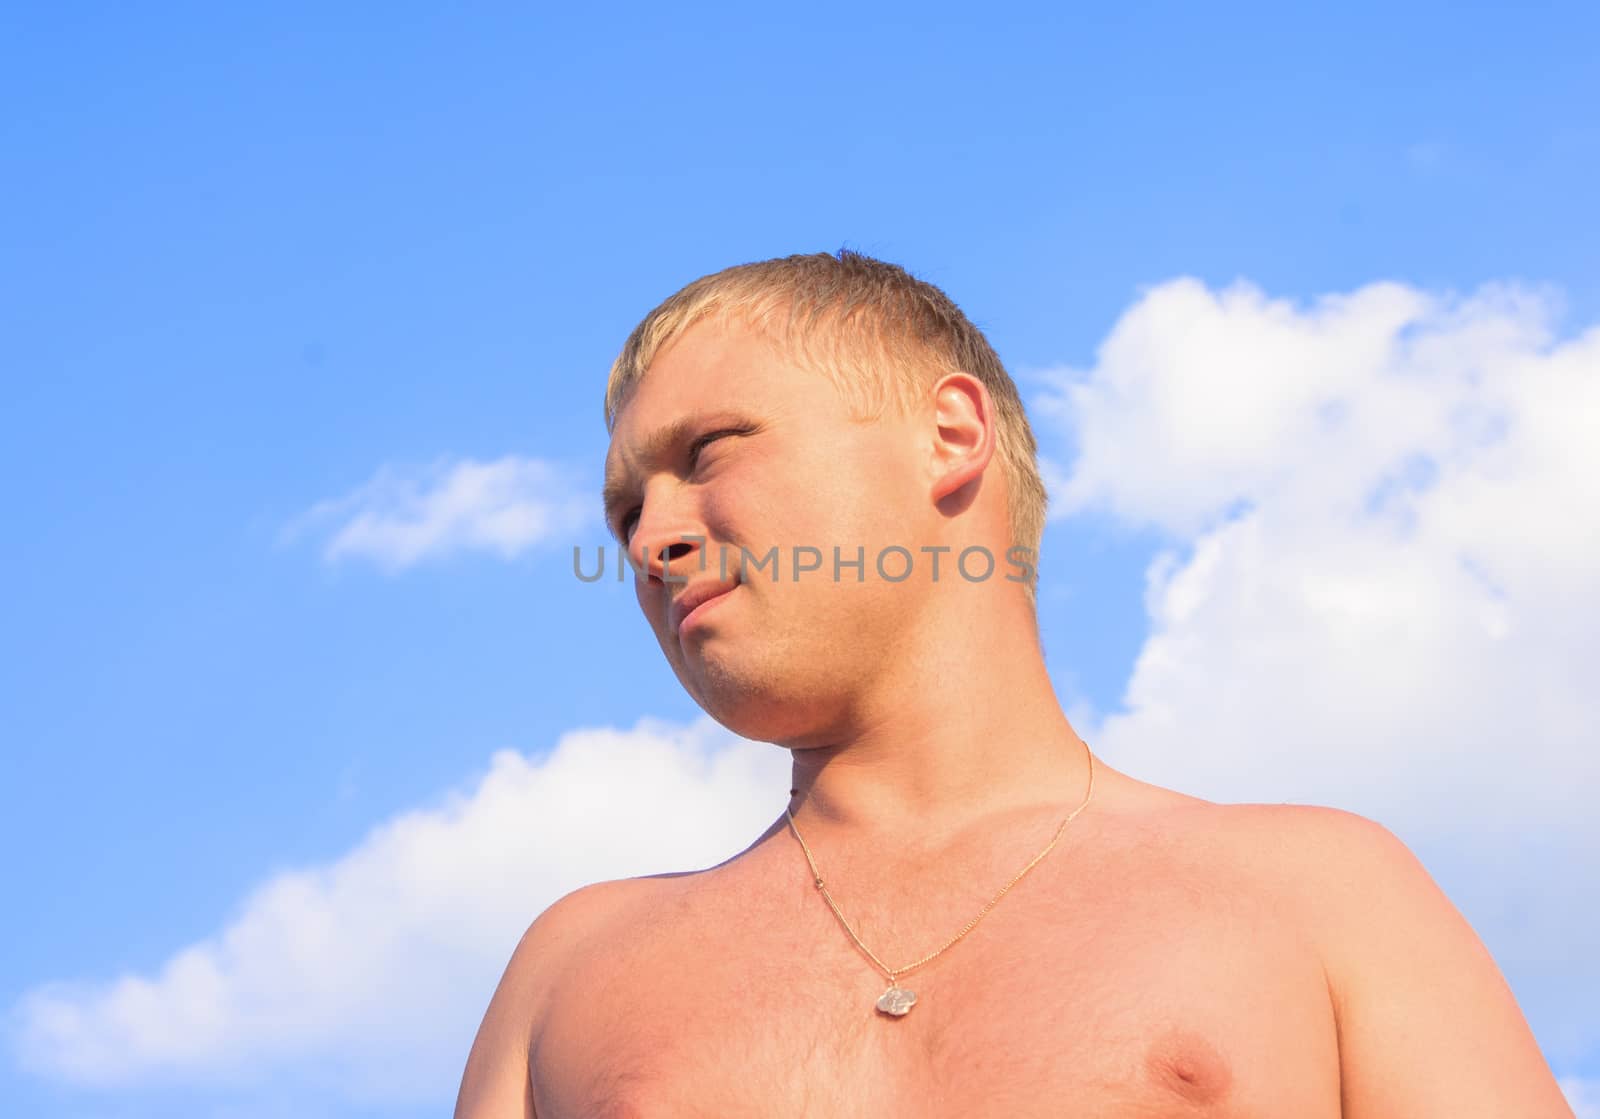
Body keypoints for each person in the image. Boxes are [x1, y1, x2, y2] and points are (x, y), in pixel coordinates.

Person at [455, 251, 1573, 1117]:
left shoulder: (1321, 894)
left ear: (950, 436)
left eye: (708, 452)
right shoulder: (572, 973)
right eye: (623, 510)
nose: (649, 539)